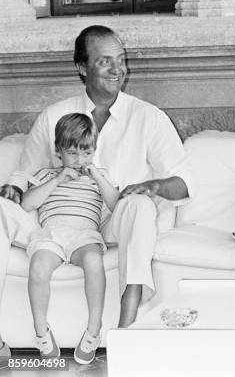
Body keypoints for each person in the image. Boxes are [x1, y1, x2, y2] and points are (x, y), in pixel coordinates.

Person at [0, 25, 195, 338]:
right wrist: (14, 187)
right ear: (82, 67)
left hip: (115, 219)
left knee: (140, 205)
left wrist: (153, 186)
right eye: (105, 61)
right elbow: (25, 173)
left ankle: (127, 327)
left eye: (120, 59)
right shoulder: (54, 115)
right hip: (59, 220)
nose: (117, 68)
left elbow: (184, 182)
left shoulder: (148, 116)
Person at [21, 113, 118, 363]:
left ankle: (93, 331)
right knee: (38, 266)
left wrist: (97, 176)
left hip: (84, 235)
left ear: (94, 151)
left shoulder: (100, 176)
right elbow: (27, 203)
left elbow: (117, 204)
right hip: (51, 235)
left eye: (86, 153)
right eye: (73, 153)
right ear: (58, 151)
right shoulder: (45, 175)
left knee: (94, 262)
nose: (79, 160)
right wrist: (56, 180)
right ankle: (41, 333)